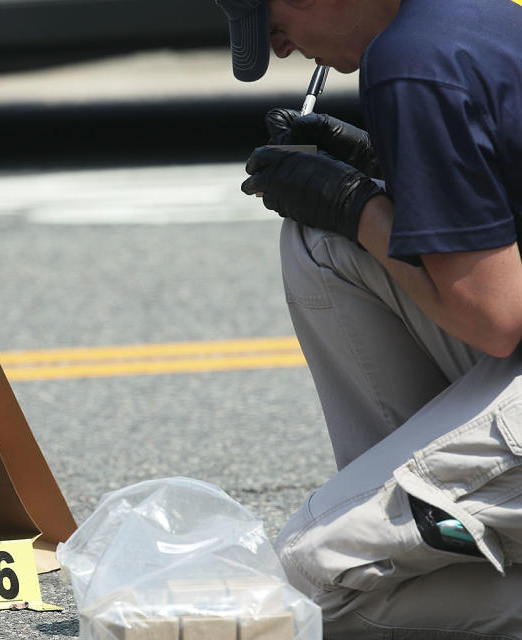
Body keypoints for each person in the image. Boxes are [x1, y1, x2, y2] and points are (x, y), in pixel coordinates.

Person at [212, 0, 522, 636]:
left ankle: (416, 525)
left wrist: (360, 207)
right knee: (320, 242)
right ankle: (414, 512)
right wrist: (383, 175)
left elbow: (496, 315)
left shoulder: (411, 63)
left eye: (274, 29)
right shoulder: (476, 16)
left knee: (311, 585)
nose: (283, 52)